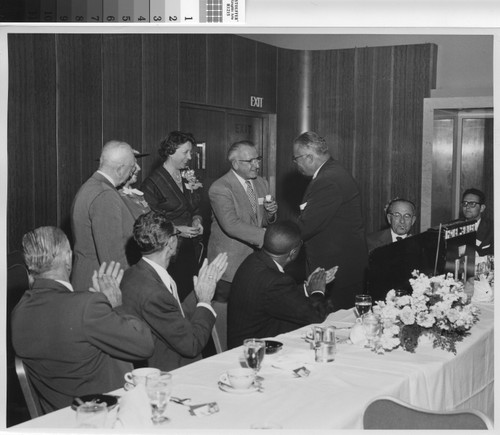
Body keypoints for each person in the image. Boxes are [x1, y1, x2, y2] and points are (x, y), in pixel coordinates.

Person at [11, 226, 154, 413]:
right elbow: (145, 345)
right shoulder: (86, 307)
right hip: (107, 415)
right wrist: (116, 305)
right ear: (67, 258)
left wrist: (99, 306)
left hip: (57, 421)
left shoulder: (18, 313)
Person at [120, 210, 228, 371]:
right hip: (169, 371)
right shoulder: (154, 292)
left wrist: (199, 292)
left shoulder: (134, 274)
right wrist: (205, 301)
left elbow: (172, 315)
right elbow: (192, 345)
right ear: (171, 243)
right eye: (177, 234)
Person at [207, 140, 278, 350]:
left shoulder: (262, 183)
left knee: (250, 316)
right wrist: (271, 238)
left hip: (254, 263)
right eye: (250, 161)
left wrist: (271, 213)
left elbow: (263, 220)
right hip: (229, 266)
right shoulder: (220, 188)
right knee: (226, 320)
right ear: (235, 163)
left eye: (258, 159)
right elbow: (232, 225)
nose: (256, 164)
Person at [227, 221, 337, 349]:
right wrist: (318, 291)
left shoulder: (252, 260)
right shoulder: (275, 280)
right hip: (258, 351)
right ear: (293, 252)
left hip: (244, 342)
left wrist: (307, 288)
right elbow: (315, 316)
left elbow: (279, 298)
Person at [292, 131, 368, 310]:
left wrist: (273, 237)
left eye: (296, 159)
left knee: (331, 323)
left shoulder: (327, 181)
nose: (296, 164)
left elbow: (305, 226)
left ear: (309, 158)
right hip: (343, 266)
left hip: (335, 270)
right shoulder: (333, 171)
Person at [141, 131, 204, 301]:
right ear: (170, 151)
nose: (190, 157)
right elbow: (149, 222)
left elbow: (195, 208)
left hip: (190, 248)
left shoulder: (186, 176)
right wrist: (176, 230)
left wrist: (197, 219)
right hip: (168, 252)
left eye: (190, 152)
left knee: (191, 295)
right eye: (185, 152)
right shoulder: (152, 183)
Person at [71, 140, 137, 291]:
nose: (131, 174)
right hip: (99, 287)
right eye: (131, 168)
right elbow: (113, 260)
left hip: (86, 278)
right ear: (120, 169)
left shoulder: (90, 186)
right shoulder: (105, 195)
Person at [119, 150, 151, 220]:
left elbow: (147, 211)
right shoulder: (116, 197)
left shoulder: (137, 194)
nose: (139, 168)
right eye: (133, 165)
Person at [461, 188, 494, 256]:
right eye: (465, 203)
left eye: (472, 204)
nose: (467, 207)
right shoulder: (453, 227)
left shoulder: (493, 228)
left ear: (482, 208)